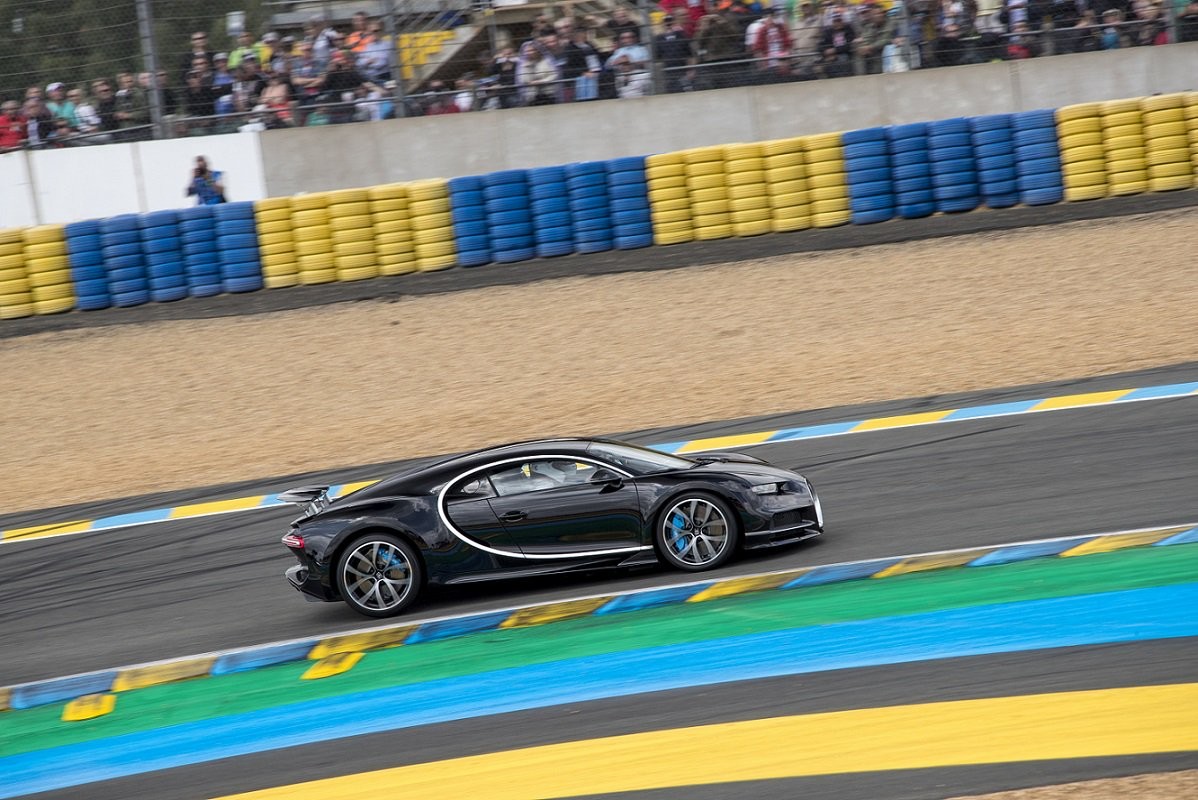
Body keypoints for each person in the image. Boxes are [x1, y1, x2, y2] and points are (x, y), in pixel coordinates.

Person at [657, 15, 696, 92]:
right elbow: (658, 57)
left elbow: (690, 55)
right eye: (666, 22)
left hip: (683, 70)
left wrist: (691, 70)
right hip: (669, 71)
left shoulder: (681, 35)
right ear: (662, 24)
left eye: (670, 21)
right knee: (671, 91)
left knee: (686, 90)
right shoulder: (659, 39)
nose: (668, 24)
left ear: (674, 22)